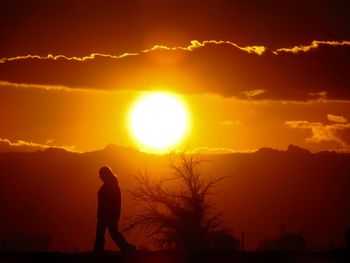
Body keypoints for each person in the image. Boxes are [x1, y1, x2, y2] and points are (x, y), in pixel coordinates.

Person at [93, 166, 136, 253]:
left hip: (107, 214)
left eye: (101, 174)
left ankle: (98, 251)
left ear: (105, 175)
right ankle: (127, 248)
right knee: (111, 233)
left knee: (105, 233)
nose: (100, 177)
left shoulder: (110, 186)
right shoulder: (112, 185)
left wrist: (106, 214)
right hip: (108, 214)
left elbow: (111, 202)